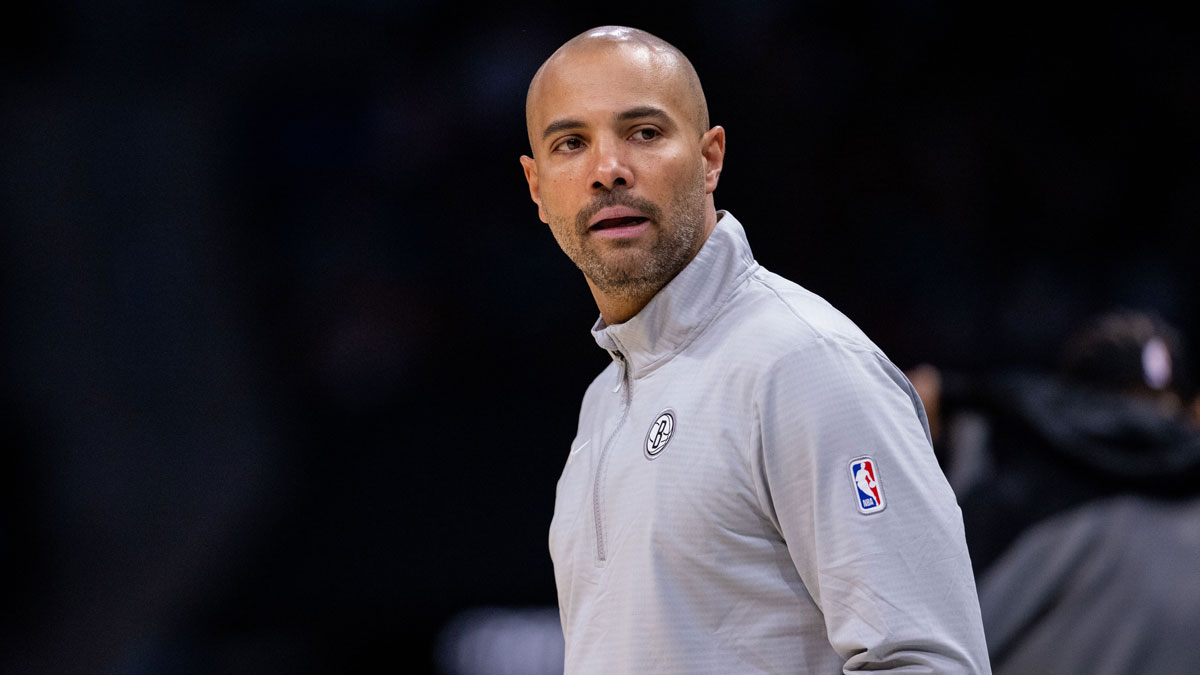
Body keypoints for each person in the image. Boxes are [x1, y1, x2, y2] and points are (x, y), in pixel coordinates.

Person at [519, 26, 991, 674]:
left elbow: (929, 662)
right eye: (571, 143)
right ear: (537, 187)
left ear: (711, 158)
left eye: (645, 133)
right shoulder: (603, 407)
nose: (608, 170)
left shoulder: (805, 363)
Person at [910, 310, 1200, 674]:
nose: (1145, 425)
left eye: (1164, 408)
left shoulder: (1015, 484)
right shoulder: (1014, 480)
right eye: (1121, 402)